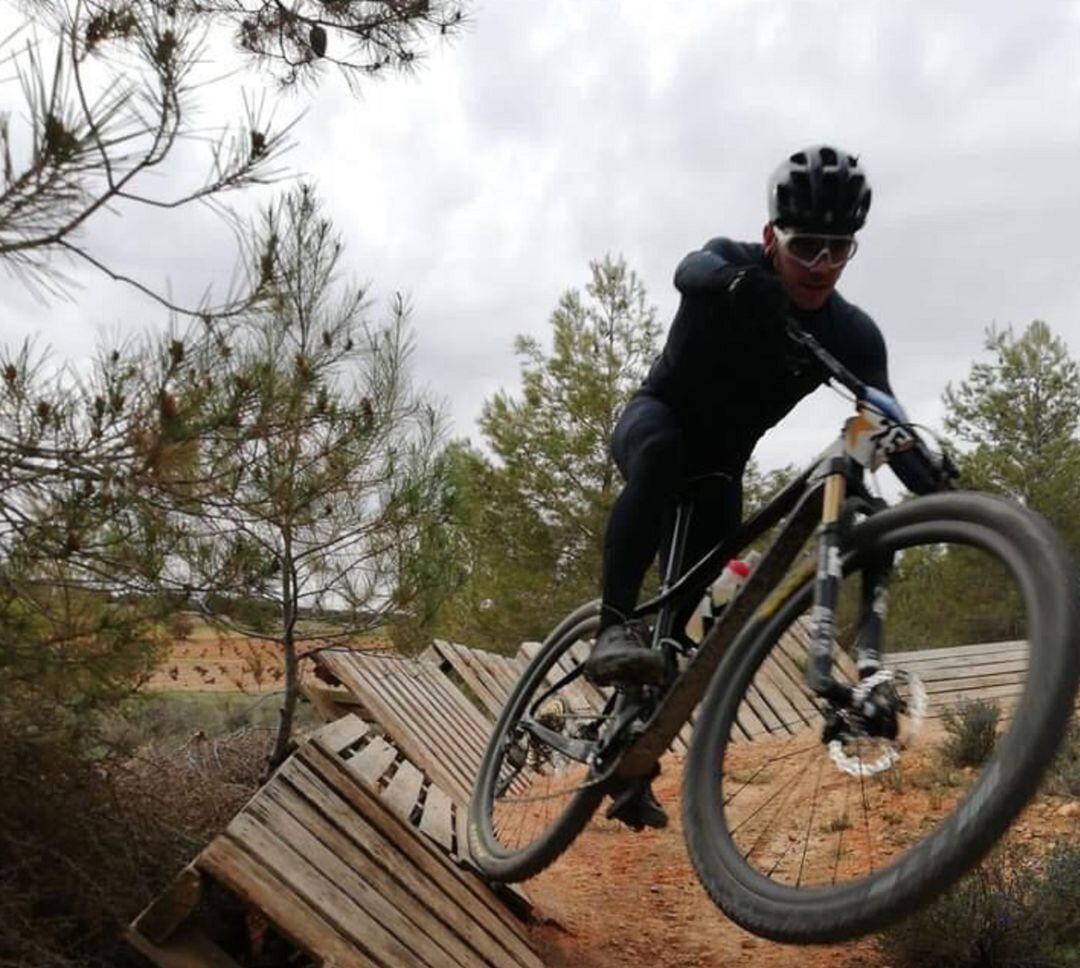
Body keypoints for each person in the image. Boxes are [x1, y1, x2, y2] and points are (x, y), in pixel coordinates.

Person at [584, 145, 940, 831]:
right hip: (657, 422)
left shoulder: (852, 333)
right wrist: (744, 286)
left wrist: (948, 495)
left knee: (679, 645)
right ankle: (607, 627)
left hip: (721, 474)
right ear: (773, 236)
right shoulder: (734, 263)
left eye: (840, 250)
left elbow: (888, 423)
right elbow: (692, 270)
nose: (822, 266)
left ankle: (632, 765)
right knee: (659, 455)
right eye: (807, 246)